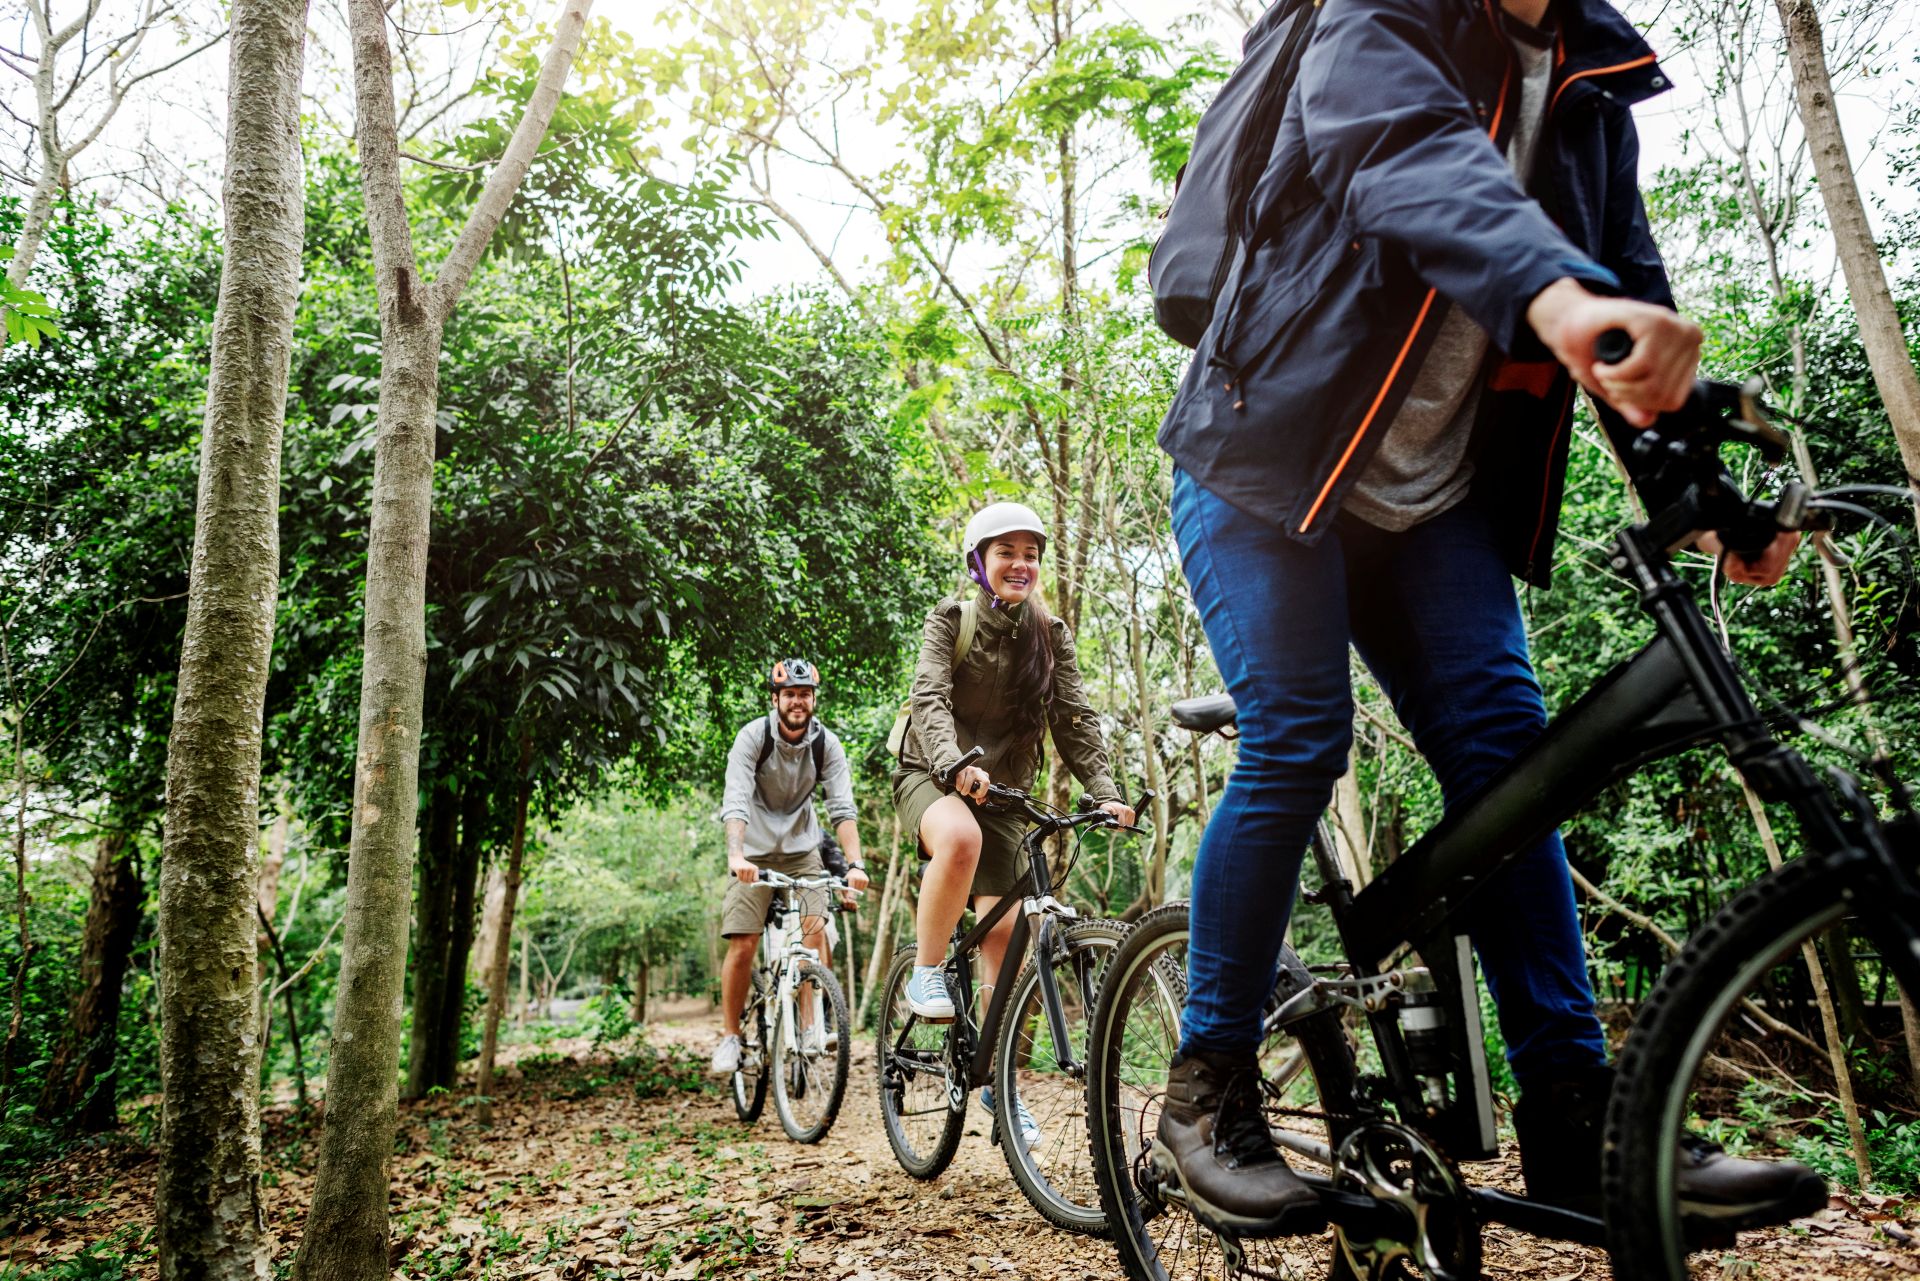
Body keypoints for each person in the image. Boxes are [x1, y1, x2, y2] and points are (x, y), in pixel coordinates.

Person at [1149, 0, 1817, 1237]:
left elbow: (1631, 296)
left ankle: (1577, 1117)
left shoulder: (1595, 84)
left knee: (1513, 773)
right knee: (1298, 738)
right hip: (1264, 465)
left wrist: (1701, 496)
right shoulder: (1376, 17)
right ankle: (1207, 1090)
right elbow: (1406, 154)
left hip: (1431, 502)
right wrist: (1557, 300)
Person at [892, 501, 1136, 1149]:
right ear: (980, 562)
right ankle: (927, 970)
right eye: (1007, 552)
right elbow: (928, 698)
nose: (1021, 564)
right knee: (959, 838)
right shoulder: (951, 619)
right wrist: (953, 763)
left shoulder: (1050, 635)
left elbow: (1074, 719)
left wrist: (1106, 793)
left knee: (1009, 938)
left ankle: (999, 1083)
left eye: (1031, 554)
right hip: (931, 772)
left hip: (1003, 793)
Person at [710, 658, 870, 1075]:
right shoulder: (753, 737)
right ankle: (730, 1036)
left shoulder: (826, 744)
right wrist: (736, 856)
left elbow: (842, 807)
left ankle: (812, 1026)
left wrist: (855, 864)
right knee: (743, 941)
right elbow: (736, 799)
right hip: (754, 852)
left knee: (815, 930)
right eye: (790, 694)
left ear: (814, 699)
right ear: (775, 699)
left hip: (803, 851)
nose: (798, 701)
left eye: (805, 694)